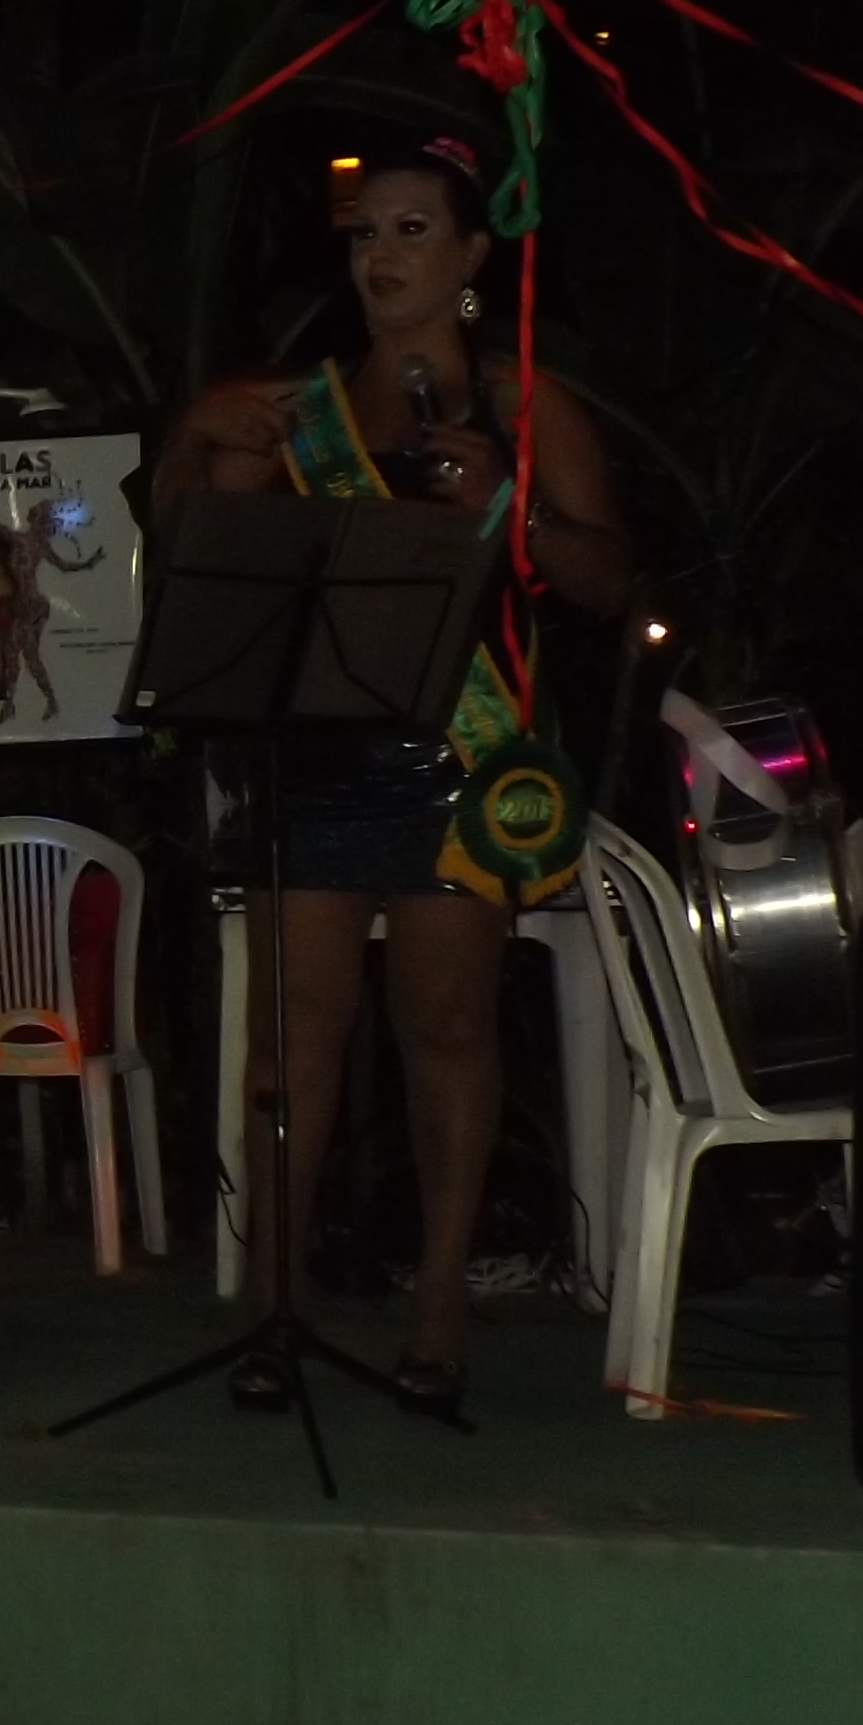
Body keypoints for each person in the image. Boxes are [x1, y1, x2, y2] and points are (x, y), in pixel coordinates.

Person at [152, 134, 631, 1413]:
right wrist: (192, 445)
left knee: (445, 1031)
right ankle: (276, 1313)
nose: (379, 256)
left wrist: (515, 507)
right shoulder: (296, 410)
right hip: (312, 753)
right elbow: (201, 556)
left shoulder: (525, 408)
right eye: (363, 233)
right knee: (289, 1046)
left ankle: (437, 1319)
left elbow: (607, 580)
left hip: (459, 765)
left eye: (411, 231)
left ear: (471, 256)